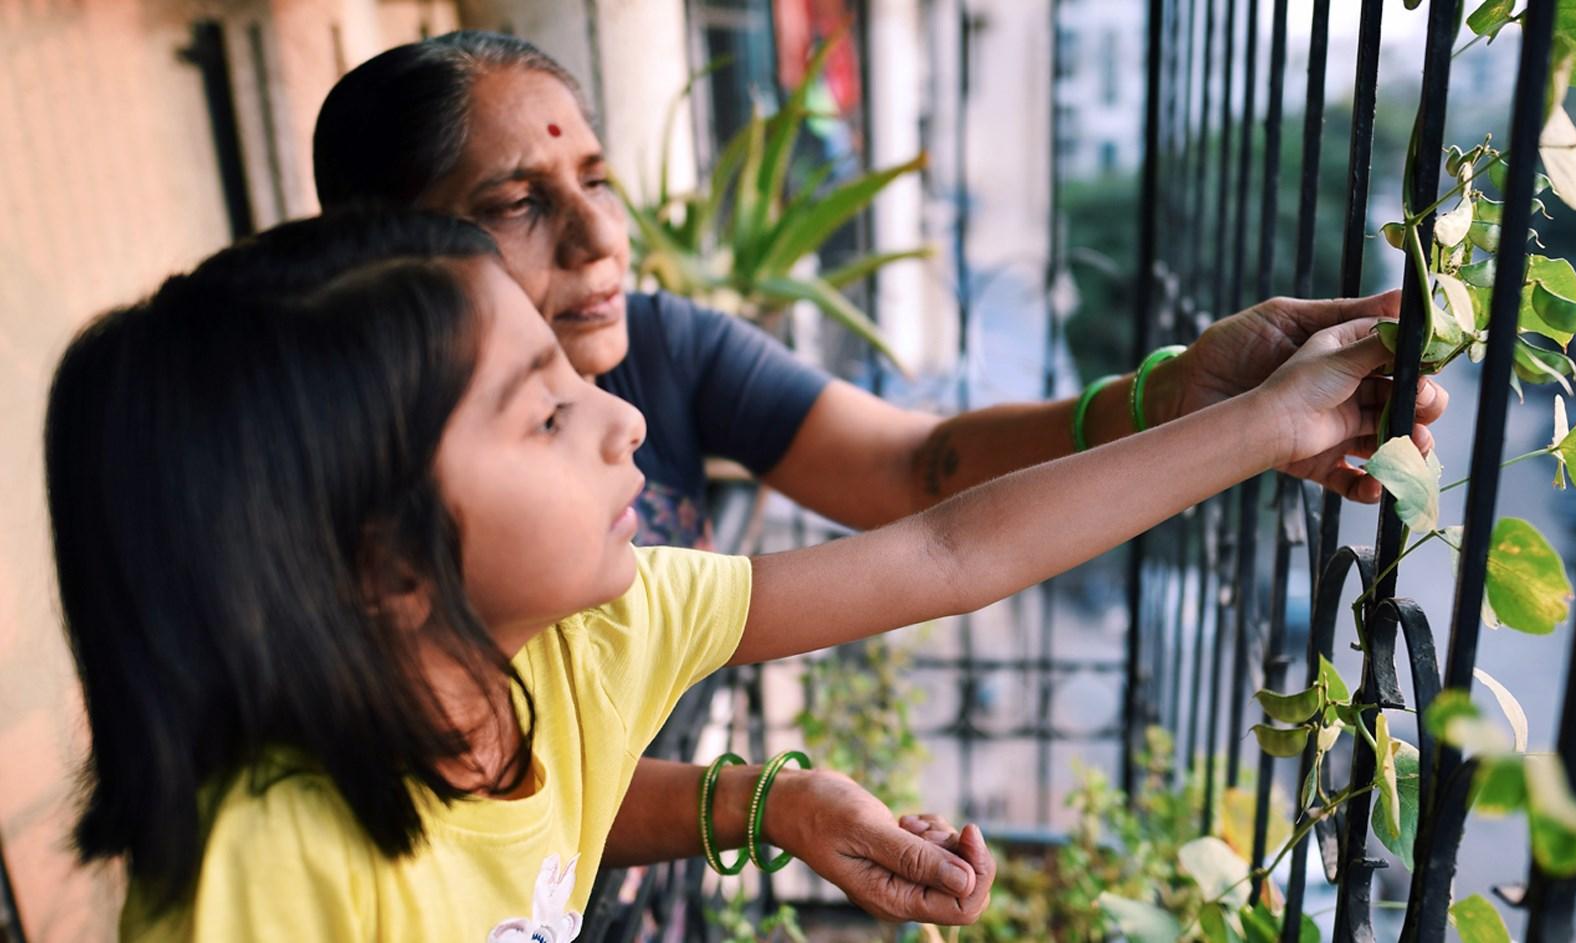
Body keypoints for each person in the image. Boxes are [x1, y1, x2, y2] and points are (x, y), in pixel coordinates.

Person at [50, 208, 1428, 940]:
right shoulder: (275, 871)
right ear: (387, 567)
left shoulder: (580, 642)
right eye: (543, 411)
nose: (627, 418)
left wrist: (1254, 427)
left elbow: (953, 547)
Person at [308, 30, 1449, 873]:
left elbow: (932, 498)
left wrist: (1189, 404)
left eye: (596, 180)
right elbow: (465, 787)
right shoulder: (340, 538)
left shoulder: (653, 393)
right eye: (515, 201)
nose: (603, 234)